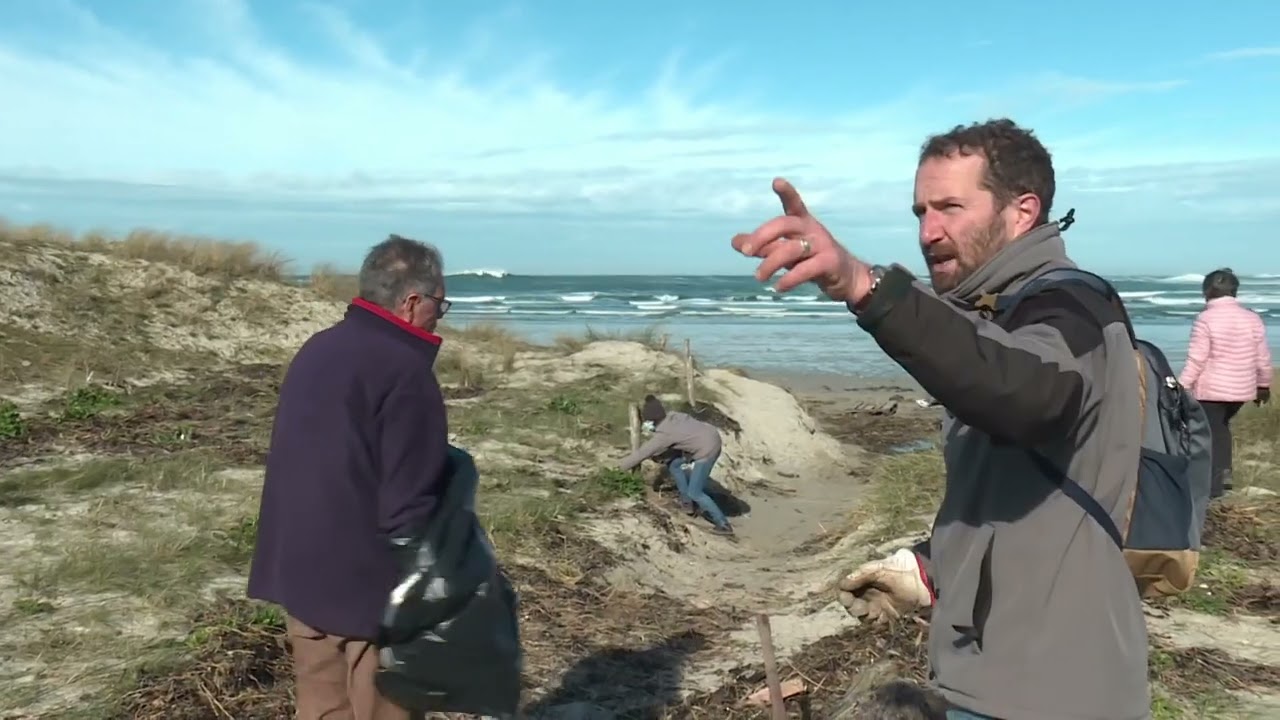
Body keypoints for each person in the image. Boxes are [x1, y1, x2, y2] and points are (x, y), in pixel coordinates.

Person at [732, 119, 1149, 719]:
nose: (929, 232)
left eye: (951, 207)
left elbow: (1030, 396)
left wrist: (863, 285)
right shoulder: (995, 316)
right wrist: (928, 566)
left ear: (1022, 211)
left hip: (1050, 688)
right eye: (921, 211)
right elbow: (1028, 495)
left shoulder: (1070, 306)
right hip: (997, 671)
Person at [248, 234, 451, 720]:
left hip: (301, 571)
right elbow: (410, 499)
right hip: (368, 586)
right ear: (411, 302)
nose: (441, 316)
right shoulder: (404, 369)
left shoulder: (320, 347)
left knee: (320, 708)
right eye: (441, 305)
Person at [1179, 268, 1273, 497]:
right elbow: (1262, 356)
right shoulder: (1252, 318)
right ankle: (1221, 475)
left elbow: (1197, 359)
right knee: (1220, 428)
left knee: (1212, 433)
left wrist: (1181, 386)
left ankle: (1214, 485)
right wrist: (1263, 385)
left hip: (1212, 391)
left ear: (1207, 291)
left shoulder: (1205, 318)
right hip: (1241, 390)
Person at [618, 395, 734, 536]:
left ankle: (723, 524)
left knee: (695, 492)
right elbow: (678, 438)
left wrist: (618, 469)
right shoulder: (675, 416)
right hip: (710, 435)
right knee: (674, 464)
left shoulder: (665, 435)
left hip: (707, 450)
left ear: (650, 420)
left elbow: (642, 453)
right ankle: (687, 505)